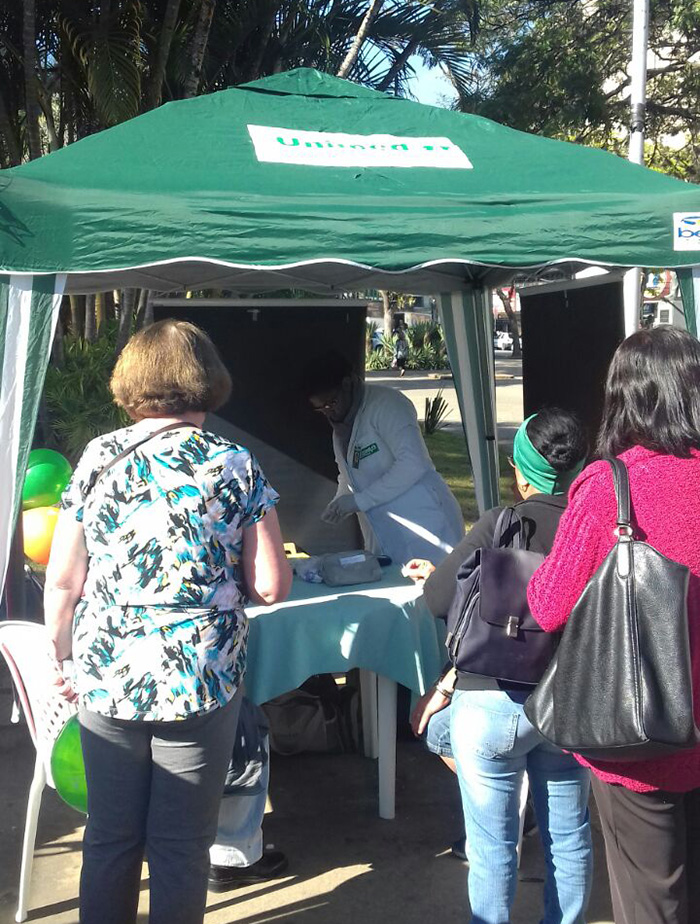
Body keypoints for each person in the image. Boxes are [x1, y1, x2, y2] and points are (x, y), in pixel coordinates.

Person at [44, 319, 291, 924]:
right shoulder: (233, 462)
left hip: (109, 671)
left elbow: (64, 580)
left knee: (110, 837)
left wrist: (64, 658)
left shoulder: (98, 456)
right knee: (182, 847)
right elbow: (271, 585)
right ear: (206, 380)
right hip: (199, 675)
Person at [528, 327, 700, 924]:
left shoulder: (610, 488)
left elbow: (548, 605)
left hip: (640, 732)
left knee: (651, 899)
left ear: (623, 396)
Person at [407, 408, 591, 923]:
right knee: (569, 839)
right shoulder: (591, 531)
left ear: (522, 472)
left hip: (491, 700)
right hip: (567, 702)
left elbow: (438, 598)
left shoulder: (500, 524)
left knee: (491, 847)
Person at [301, 351, 463, 565]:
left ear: (347, 383)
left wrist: (360, 500)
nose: (328, 412)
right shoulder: (340, 430)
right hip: (385, 534)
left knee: (435, 582)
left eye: (331, 403)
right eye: (320, 408)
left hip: (426, 525)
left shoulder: (387, 405)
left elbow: (413, 463)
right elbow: (348, 475)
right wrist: (340, 500)